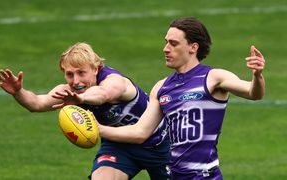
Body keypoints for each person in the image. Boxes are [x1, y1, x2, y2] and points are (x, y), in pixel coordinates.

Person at [98, 17, 265, 179]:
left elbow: (253, 93)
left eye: (173, 43)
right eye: (166, 42)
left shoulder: (213, 77)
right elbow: (140, 132)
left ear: (193, 47)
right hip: (174, 175)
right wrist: (98, 128)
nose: (165, 48)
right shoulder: (161, 88)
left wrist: (257, 76)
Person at [0, 42, 171, 180]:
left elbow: (103, 94)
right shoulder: (68, 91)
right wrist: (18, 92)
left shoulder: (116, 82)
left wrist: (82, 99)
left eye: (81, 73)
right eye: (70, 74)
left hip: (161, 145)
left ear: (96, 68)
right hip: (119, 147)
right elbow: (36, 104)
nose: (76, 81)